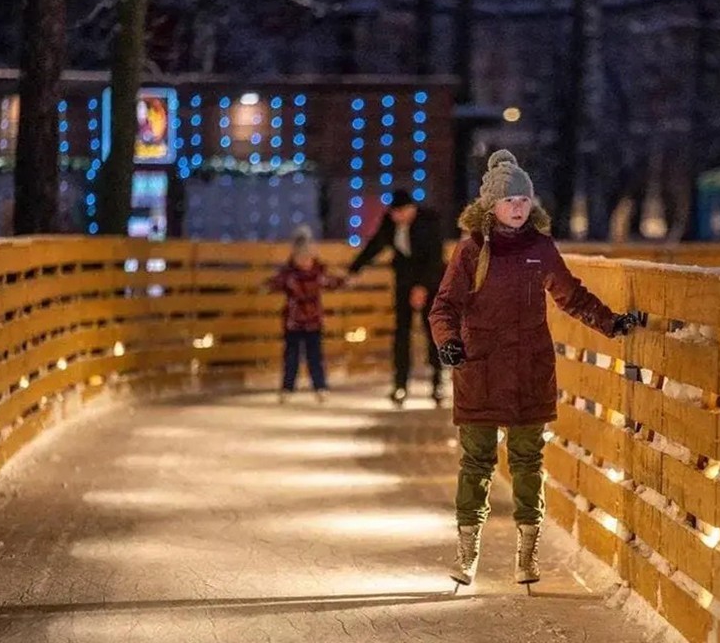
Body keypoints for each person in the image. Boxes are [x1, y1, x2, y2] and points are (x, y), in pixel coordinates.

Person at [429, 149, 637, 588]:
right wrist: (448, 343)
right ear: (492, 205)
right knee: (476, 463)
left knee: (527, 462)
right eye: (510, 201)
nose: (518, 208)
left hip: (528, 372)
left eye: (524, 200)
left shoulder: (540, 248)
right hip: (480, 370)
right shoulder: (471, 252)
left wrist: (611, 322)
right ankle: (467, 555)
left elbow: (572, 296)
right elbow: (444, 306)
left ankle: (527, 556)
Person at [347, 189, 446, 407]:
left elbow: (435, 260)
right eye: (394, 214)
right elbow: (376, 244)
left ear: (410, 210)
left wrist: (422, 288)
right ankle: (400, 384)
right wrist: (355, 268)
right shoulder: (390, 223)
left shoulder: (429, 222)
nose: (396, 218)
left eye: (400, 213)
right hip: (404, 284)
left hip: (430, 285)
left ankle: (437, 382)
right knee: (401, 334)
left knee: (433, 334)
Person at [266, 225, 344, 404]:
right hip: (293, 323)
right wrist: (269, 284)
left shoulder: (318, 274)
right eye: (301, 257)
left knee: (315, 357)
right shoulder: (289, 275)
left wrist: (343, 281)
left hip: (313, 323)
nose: (305, 261)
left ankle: (320, 387)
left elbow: (331, 282)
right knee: (291, 358)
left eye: (308, 257)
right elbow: (275, 282)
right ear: (294, 257)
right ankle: (287, 388)